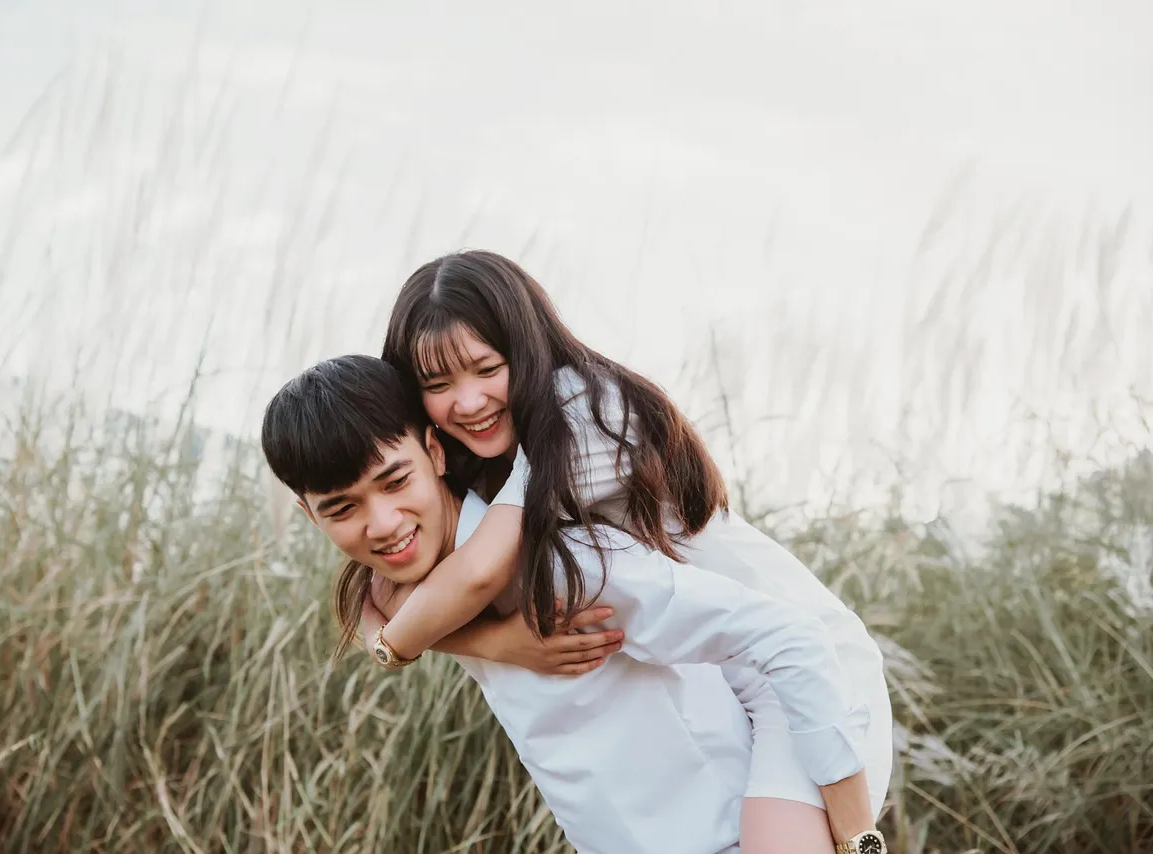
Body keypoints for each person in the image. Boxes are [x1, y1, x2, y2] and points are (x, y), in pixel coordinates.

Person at [366, 250, 893, 854]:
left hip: (804, 668)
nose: (467, 402)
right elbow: (371, 594)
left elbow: (477, 573)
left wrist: (418, 643)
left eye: (487, 368)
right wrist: (491, 642)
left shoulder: (581, 414)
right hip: (730, 677)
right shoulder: (487, 455)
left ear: (527, 350)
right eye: (437, 385)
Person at [261, 354, 768, 853]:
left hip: (732, 830)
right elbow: (383, 621)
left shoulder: (566, 560)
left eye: (396, 482)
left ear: (435, 452)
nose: (384, 524)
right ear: (310, 517)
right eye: (343, 509)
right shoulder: (400, 590)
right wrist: (495, 642)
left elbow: (773, 640)